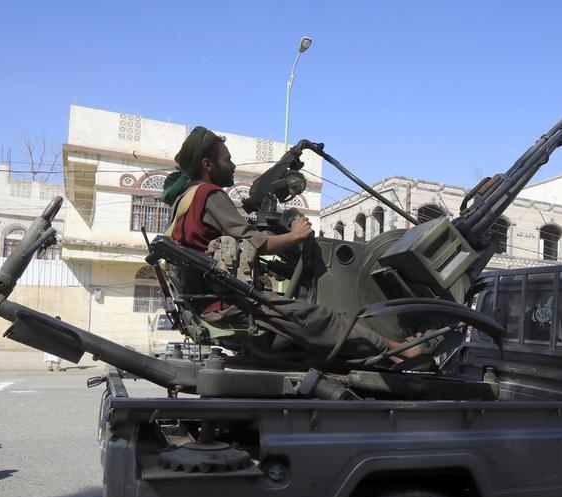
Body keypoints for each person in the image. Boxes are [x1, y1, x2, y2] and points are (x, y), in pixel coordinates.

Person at [162, 126, 420, 362]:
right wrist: (295, 234)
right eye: (226, 160)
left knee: (306, 316)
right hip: (226, 304)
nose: (232, 165)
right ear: (207, 165)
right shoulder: (210, 195)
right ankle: (397, 350)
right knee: (318, 318)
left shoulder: (183, 200)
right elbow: (257, 242)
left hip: (207, 301)